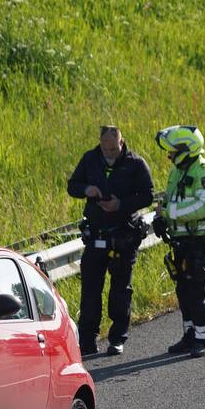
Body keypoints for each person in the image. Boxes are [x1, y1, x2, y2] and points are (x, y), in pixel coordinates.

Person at [66, 126, 155, 356]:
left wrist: (120, 204)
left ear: (121, 142)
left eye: (113, 148)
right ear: (100, 143)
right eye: (105, 148)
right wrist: (87, 189)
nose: (109, 152)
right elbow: (72, 186)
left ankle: (117, 338)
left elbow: (148, 195)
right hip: (96, 235)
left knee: (120, 291)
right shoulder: (90, 159)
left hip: (123, 237)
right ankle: (87, 341)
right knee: (90, 291)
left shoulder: (135, 163)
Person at [154, 125, 205, 358]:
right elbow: (168, 199)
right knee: (183, 290)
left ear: (186, 149)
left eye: (172, 151)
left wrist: (169, 213)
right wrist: (159, 219)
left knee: (197, 289)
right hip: (181, 241)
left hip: (201, 240)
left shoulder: (204, 172)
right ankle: (190, 334)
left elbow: (201, 206)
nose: (169, 155)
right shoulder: (177, 172)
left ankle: (204, 337)